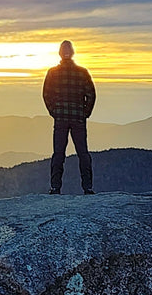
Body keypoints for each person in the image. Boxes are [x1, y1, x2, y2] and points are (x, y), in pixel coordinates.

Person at [42, 40, 95, 194]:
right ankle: (87, 187)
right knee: (83, 153)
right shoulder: (82, 72)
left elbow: (46, 94)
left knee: (58, 154)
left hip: (61, 119)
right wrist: (85, 113)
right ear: (73, 53)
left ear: (60, 53)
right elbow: (91, 94)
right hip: (78, 118)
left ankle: (55, 187)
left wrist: (54, 111)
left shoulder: (52, 73)